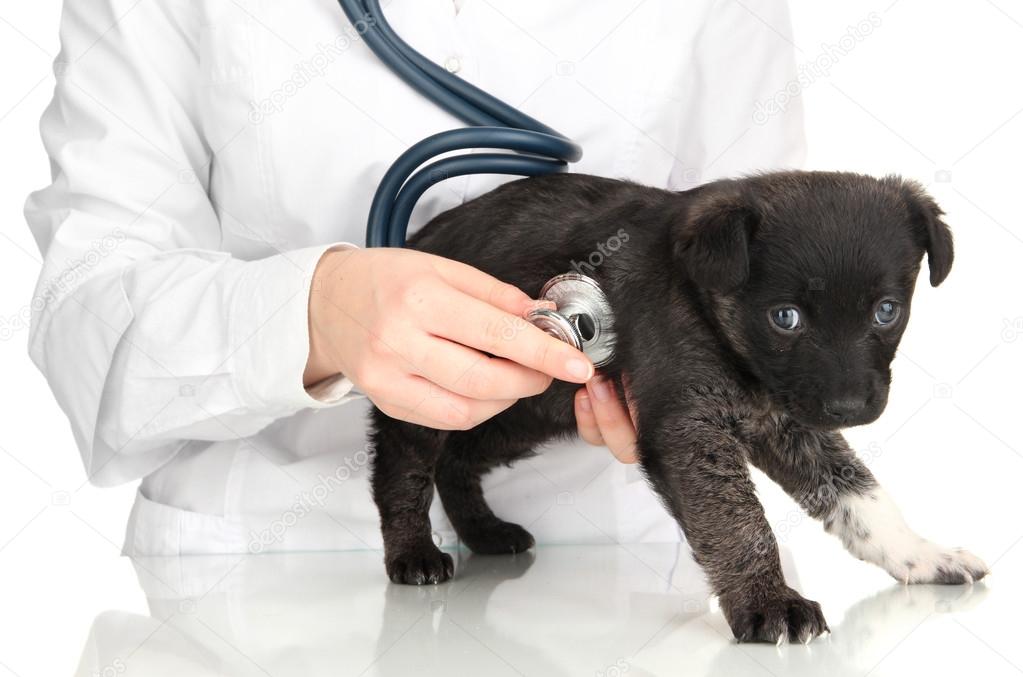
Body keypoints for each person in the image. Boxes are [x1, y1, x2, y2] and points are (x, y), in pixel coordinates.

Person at [25, 0, 804, 555]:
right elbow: (84, 321)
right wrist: (313, 314)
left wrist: (688, 376)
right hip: (266, 575)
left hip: (614, 568)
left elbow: (767, 272)